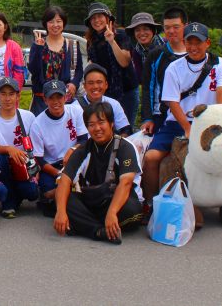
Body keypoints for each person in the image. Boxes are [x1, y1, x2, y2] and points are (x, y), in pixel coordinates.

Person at [141, 22, 222, 205]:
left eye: (198, 42)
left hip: (209, 121)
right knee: (151, 158)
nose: (193, 47)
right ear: (184, 42)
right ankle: (150, 203)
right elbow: (171, 101)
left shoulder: (219, 64)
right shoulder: (174, 68)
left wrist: (221, 122)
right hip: (178, 122)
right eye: (189, 42)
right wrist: (187, 128)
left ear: (208, 43)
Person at [54, 102, 144, 244]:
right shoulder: (83, 149)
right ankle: (99, 231)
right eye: (91, 125)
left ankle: (83, 225)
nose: (97, 128)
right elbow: (65, 180)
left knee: (131, 211)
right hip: (95, 199)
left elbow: (126, 184)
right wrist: (60, 212)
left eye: (101, 122)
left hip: (122, 201)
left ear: (111, 123)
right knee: (65, 200)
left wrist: (112, 212)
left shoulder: (125, 146)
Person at [0, 77, 39, 218]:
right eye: (3, 94)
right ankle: (9, 202)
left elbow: (35, 146)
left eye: (11, 94)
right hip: (3, 163)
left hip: (23, 164)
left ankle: (13, 196)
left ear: (18, 96)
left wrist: (36, 169)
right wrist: (9, 149)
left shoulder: (28, 116)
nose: (7, 98)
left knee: (32, 192)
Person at [31, 80, 86, 213]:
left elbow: (84, 140)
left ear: (65, 97)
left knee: (89, 184)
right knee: (48, 192)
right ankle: (70, 198)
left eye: (59, 97)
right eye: (51, 97)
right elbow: (39, 159)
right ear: (45, 99)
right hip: (53, 166)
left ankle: (66, 199)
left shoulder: (76, 111)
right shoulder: (37, 124)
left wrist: (72, 150)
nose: (56, 101)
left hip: (75, 159)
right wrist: (60, 174)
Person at [84, 2, 139, 125]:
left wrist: (111, 41)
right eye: (93, 18)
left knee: (125, 127)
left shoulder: (121, 35)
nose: (97, 20)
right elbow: (94, 67)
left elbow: (124, 62)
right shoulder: (92, 41)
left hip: (127, 90)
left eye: (100, 16)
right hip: (105, 92)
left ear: (108, 18)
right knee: (107, 127)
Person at [140, 7, 188, 136]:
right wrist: (147, 118)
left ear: (186, 26)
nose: (171, 31)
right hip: (162, 115)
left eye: (176, 27)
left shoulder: (196, 54)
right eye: (167, 27)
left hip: (190, 114)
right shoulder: (156, 54)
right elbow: (147, 88)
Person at [27, 6, 83, 115]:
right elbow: (33, 70)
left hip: (65, 100)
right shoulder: (38, 44)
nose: (55, 25)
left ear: (64, 23)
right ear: (45, 24)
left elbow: (79, 70)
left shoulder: (73, 45)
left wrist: (74, 83)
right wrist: (38, 49)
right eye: (51, 22)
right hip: (42, 100)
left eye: (59, 21)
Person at [76, 64, 132, 136]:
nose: (95, 86)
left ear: (106, 85)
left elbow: (125, 130)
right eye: (91, 83)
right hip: (85, 146)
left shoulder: (114, 104)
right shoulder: (75, 107)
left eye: (99, 82)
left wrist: (117, 146)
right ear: (84, 86)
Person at [125, 12, 164, 90]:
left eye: (146, 29)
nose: (142, 33)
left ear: (153, 31)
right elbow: (140, 78)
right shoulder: (136, 51)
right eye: (137, 30)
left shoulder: (166, 45)